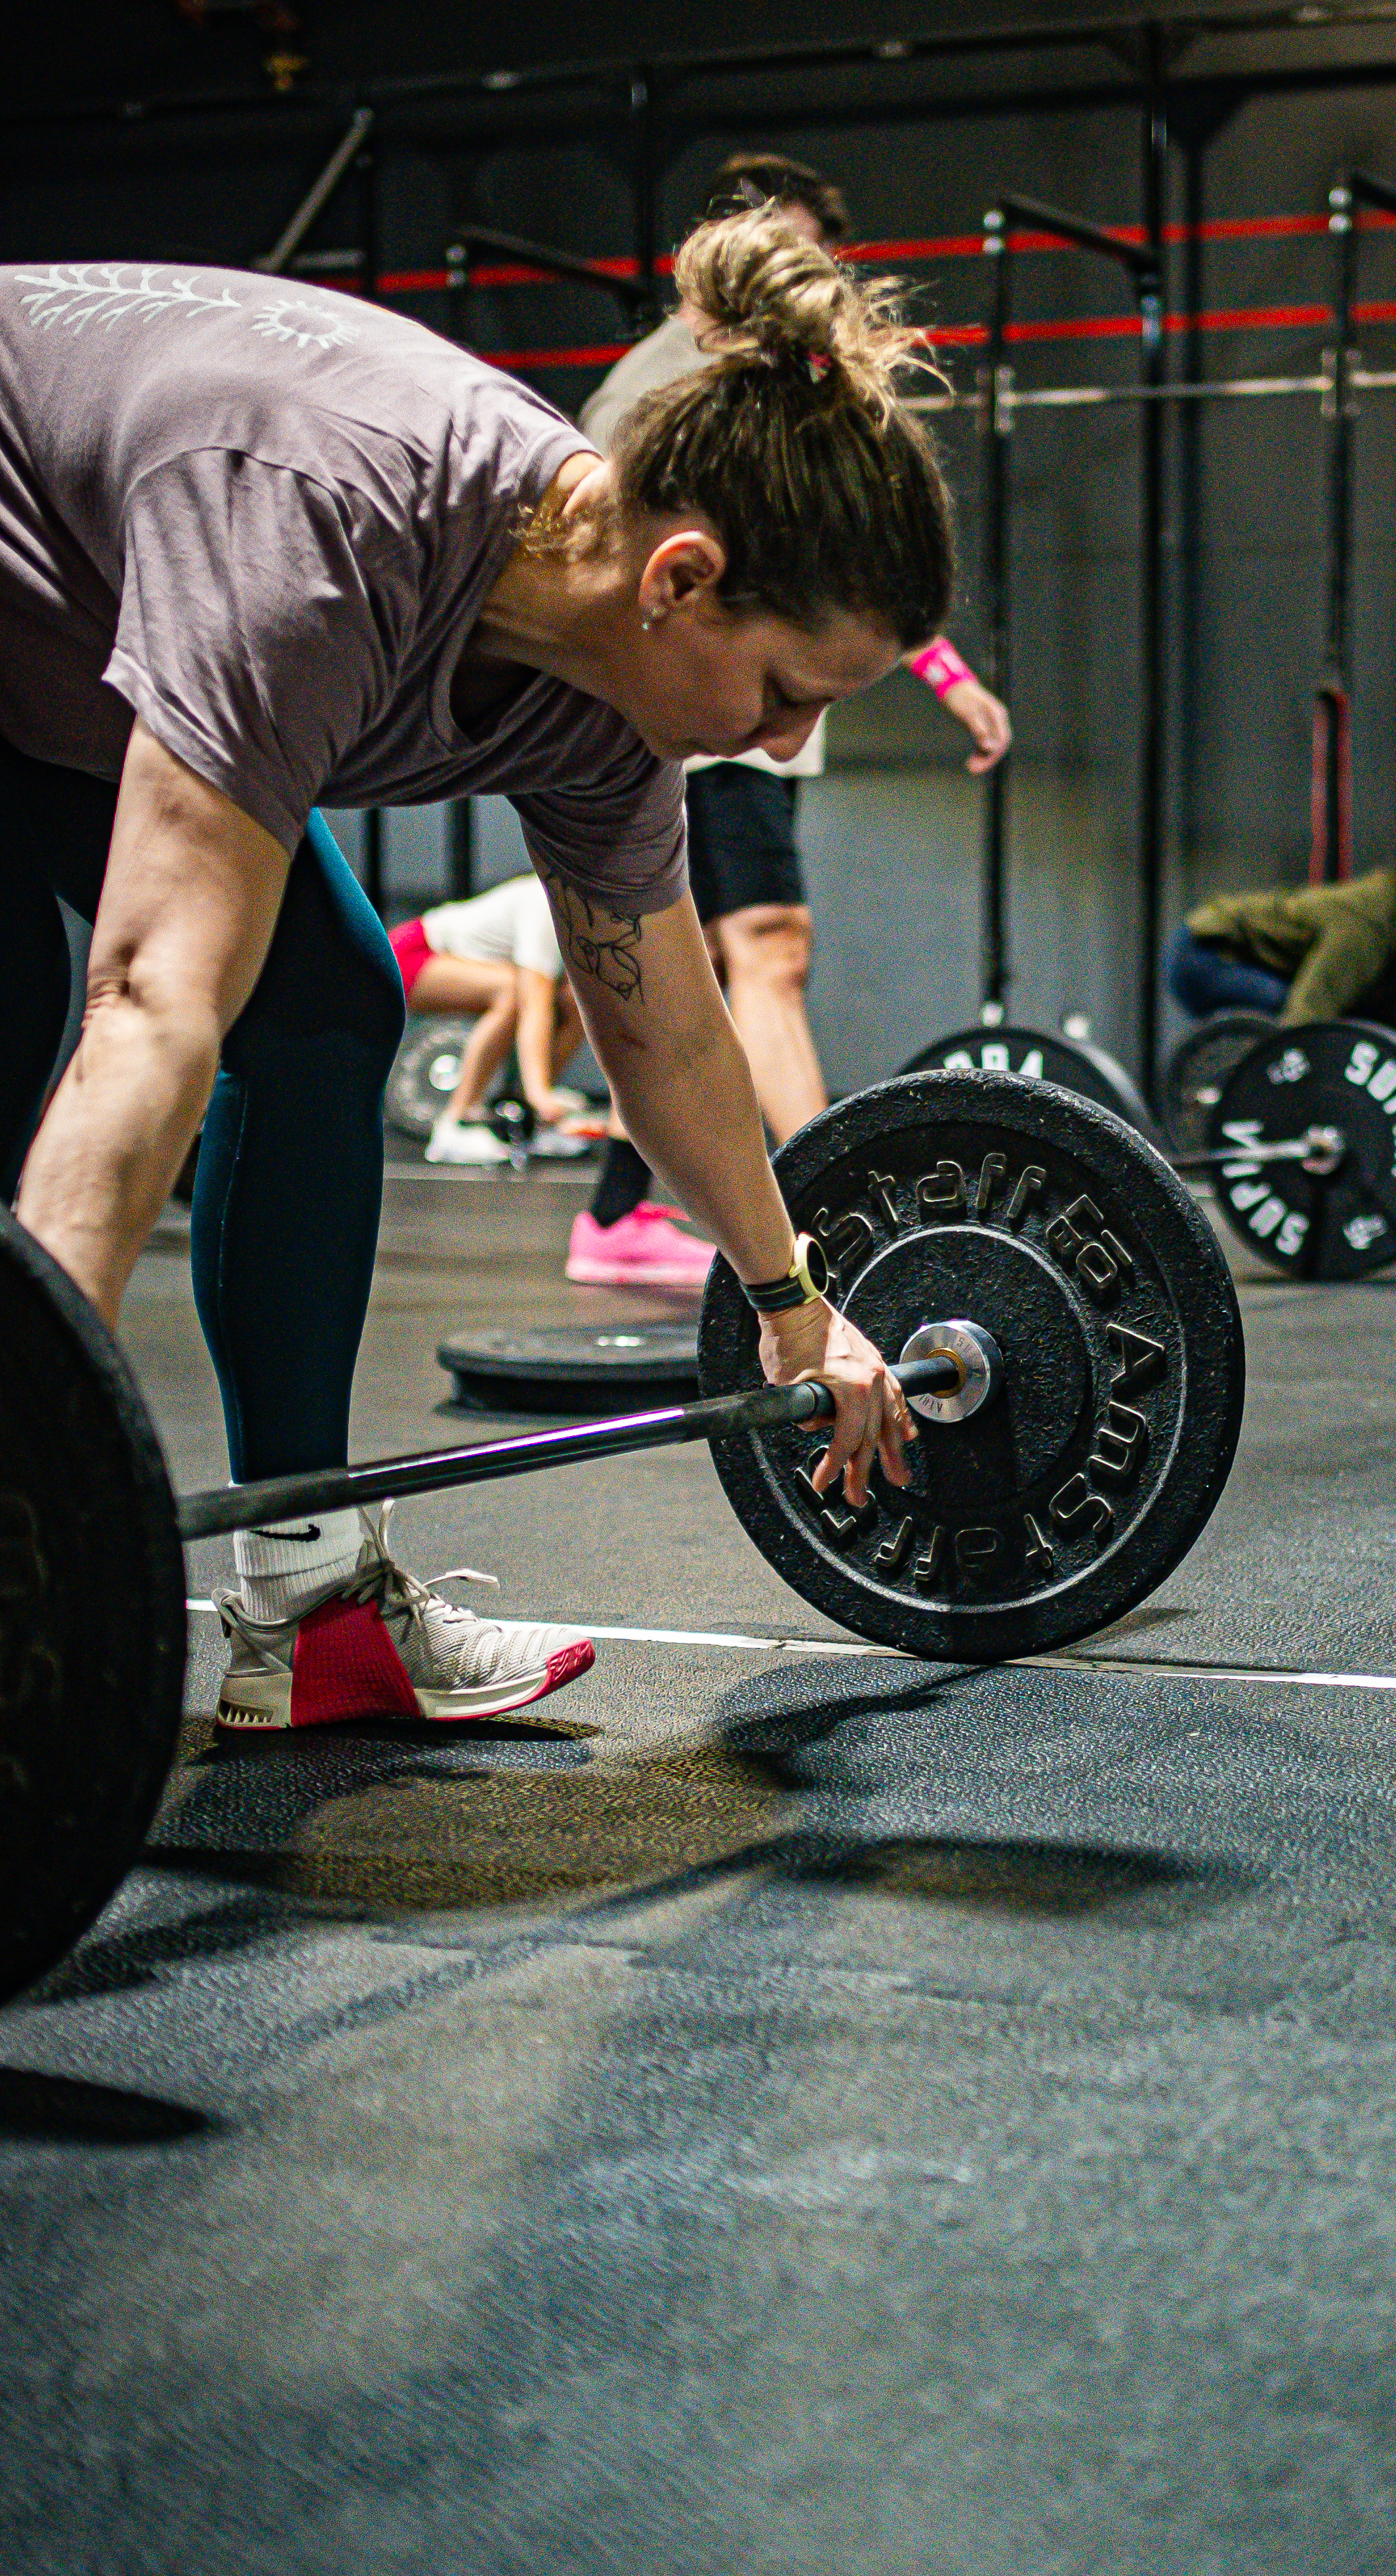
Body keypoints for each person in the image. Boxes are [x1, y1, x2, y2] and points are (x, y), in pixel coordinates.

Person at [2, 211, 947, 1729]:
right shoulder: (321, 537)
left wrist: (796, 1306)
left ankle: (306, 1594)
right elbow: (153, 1007)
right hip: (38, 591)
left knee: (325, 1004)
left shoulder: (605, 709)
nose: (783, 744)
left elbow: (666, 1045)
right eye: (783, 691)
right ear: (679, 578)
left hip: (53, 658)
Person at [565, 152, 1013, 1294]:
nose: (802, 272)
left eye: (817, 255)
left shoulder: (797, 395)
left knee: (711, 964)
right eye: (785, 247)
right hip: (690, 706)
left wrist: (948, 674)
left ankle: (623, 1214)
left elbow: (857, 553)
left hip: (750, 709)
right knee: (761, 952)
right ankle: (844, 1206)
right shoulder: (663, 383)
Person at [1166, 802, 1396, 1032]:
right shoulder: (1365, 922)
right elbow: (1309, 1011)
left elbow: (1389, 1021)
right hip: (1205, 953)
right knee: (1300, 1021)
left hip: (1238, 956)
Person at [384, 870, 595, 1164]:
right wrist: (540, 1092)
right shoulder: (546, 903)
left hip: (452, 959)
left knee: (578, 999)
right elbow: (535, 1004)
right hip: (411, 953)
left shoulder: (593, 915)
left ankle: (530, 1119)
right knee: (511, 992)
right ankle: (456, 1125)